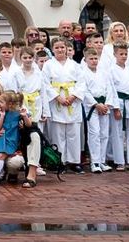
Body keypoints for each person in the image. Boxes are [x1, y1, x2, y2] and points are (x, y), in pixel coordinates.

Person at [43, 38, 84, 174]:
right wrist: (57, 97)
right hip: (57, 100)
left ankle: (74, 161)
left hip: (72, 99)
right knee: (58, 133)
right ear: (53, 49)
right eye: (57, 48)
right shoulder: (48, 65)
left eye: (62, 47)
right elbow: (46, 84)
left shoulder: (75, 65)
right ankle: (60, 161)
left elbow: (81, 83)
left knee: (73, 133)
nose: (60, 50)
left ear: (67, 49)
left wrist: (73, 96)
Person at [108, 42, 129, 171]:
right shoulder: (110, 70)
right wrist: (115, 108)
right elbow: (111, 90)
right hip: (119, 103)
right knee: (117, 133)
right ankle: (119, 161)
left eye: (126, 54)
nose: (124, 56)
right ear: (115, 54)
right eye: (121, 54)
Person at [80, 47, 112, 173]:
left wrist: (106, 104)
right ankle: (95, 162)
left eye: (95, 58)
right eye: (91, 59)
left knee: (104, 134)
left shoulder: (103, 72)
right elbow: (84, 91)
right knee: (94, 133)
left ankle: (102, 160)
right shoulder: (83, 73)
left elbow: (109, 88)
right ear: (86, 59)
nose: (94, 61)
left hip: (104, 105)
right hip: (92, 107)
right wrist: (95, 104)